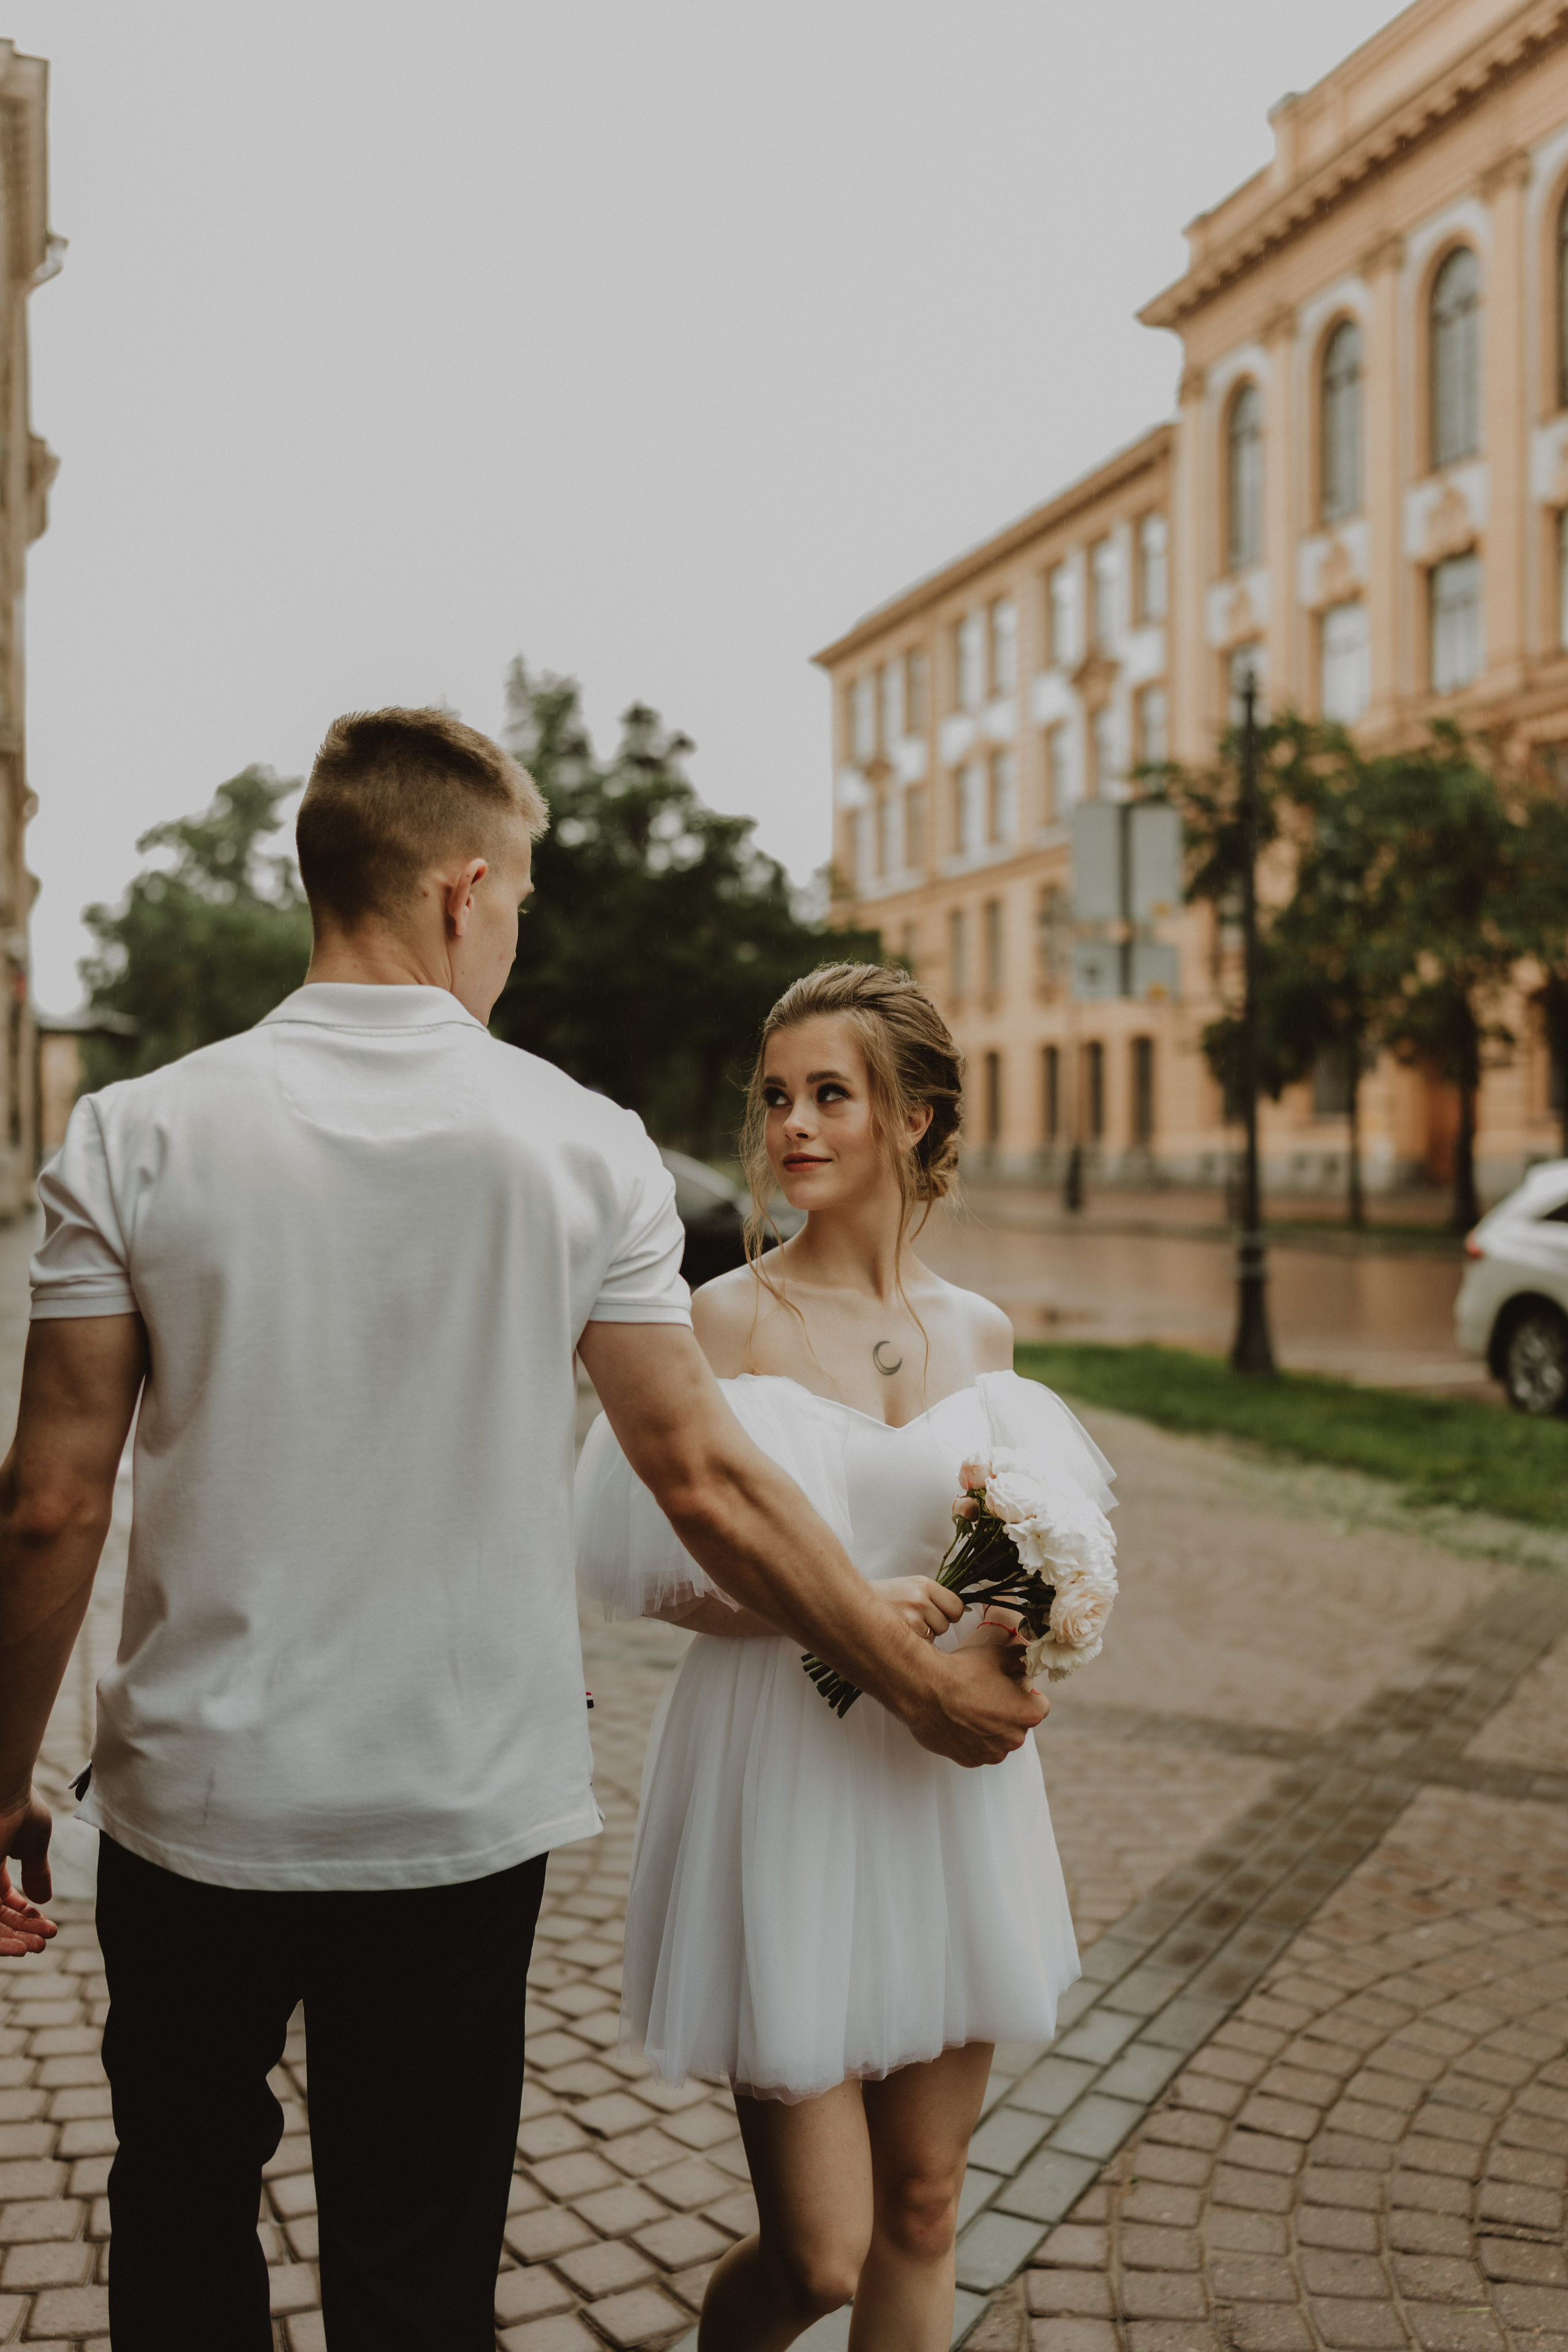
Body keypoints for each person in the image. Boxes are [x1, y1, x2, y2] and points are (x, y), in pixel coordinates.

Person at [0, 712, 1046, 2352]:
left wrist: (4, 1781)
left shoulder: (137, 1134)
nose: (517, 934)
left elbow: (50, 1502)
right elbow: (698, 1473)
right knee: (419, 2281)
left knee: (183, 2219)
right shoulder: (579, 1144)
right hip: (454, 1814)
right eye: (525, 901)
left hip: (196, 1806)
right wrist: (911, 1681)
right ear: (462, 893)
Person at [576, 962, 1117, 2352]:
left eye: (831, 1095)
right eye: (776, 1099)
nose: (792, 1127)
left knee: (925, 2206)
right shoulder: (723, 1322)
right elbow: (655, 1573)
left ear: (920, 1121)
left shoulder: (979, 1334)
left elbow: (1028, 1553)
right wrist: (840, 1607)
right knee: (822, 2251)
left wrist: (1023, 1626)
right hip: (784, 1776)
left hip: (943, 1793)